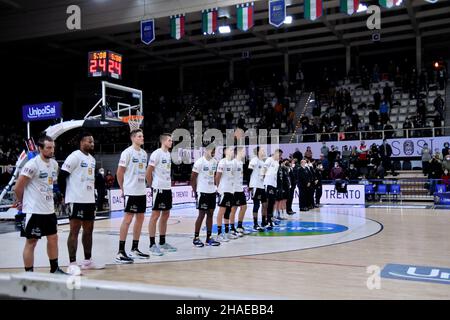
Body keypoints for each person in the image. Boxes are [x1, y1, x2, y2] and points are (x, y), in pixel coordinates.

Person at [15, 135, 66, 274]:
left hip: (49, 210)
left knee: (53, 239)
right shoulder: (32, 164)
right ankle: (29, 274)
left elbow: (52, 183)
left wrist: (57, 194)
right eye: (49, 148)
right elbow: (18, 187)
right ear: (40, 148)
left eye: (53, 147)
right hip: (34, 211)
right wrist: (21, 202)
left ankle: (54, 269)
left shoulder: (54, 164)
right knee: (32, 242)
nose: (52, 150)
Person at [59, 132, 105, 272]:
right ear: (81, 142)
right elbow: (62, 176)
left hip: (89, 200)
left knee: (89, 231)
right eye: (89, 141)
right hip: (76, 199)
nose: (92, 144)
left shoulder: (91, 159)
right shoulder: (74, 157)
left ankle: (87, 261)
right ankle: (72, 263)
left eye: (92, 142)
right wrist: (64, 195)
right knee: (74, 231)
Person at [115, 129, 149, 264]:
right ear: (133, 138)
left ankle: (134, 248)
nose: (142, 138)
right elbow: (119, 172)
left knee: (140, 219)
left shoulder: (144, 153)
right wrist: (123, 188)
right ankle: (120, 251)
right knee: (127, 219)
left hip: (141, 191)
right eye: (139, 136)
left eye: (142, 136)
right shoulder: (127, 152)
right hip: (131, 191)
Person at [146, 134, 177, 256]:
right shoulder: (156, 153)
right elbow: (148, 172)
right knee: (155, 215)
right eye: (169, 140)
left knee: (166, 214)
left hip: (167, 187)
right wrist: (151, 186)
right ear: (163, 141)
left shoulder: (168, 154)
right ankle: (152, 244)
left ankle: (162, 242)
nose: (171, 142)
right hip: (158, 188)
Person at [191, 144, 220, 247]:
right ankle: (196, 238)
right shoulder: (199, 162)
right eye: (212, 151)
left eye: (214, 151)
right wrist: (196, 192)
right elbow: (192, 179)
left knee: (210, 214)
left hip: (212, 192)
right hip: (202, 192)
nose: (213, 153)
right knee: (201, 215)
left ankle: (209, 238)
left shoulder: (215, 162)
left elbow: (214, 177)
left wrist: (216, 188)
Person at [215, 146, 236, 241]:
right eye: (230, 150)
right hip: (224, 190)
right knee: (222, 211)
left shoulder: (233, 162)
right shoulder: (223, 162)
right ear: (225, 152)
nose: (232, 151)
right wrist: (217, 188)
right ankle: (219, 234)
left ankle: (227, 232)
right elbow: (217, 176)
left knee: (228, 211)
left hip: (231, 190)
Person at [230, 147, 250, 237]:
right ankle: (232, 228)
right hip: (234, 190)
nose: (244, 154)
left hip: (240, 189)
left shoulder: (241, 163)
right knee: (234, 209)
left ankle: (239, 226)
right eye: (242, 152)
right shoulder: (233, 163)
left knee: (244, 207)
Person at [248, 147, 267, 232]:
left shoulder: (263, 162)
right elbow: (249, 172)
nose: (263, 152)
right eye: (262, 150)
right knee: (256, 205)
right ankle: (255, 224)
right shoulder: (254, 160)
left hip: (262, 186)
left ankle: (263, 221)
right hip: (255, 185)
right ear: (258, 152)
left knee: (265, 204)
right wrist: (250, 184)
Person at [263, 149, 282, 229]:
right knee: (268, 203)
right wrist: (263, 181)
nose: (280, 157)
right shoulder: (269, 160)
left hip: (274, 185)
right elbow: (263, 170)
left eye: (280, 155)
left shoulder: (277, 163)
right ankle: (267, 220)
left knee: (272, 202)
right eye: (279, 155)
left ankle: (270, 219)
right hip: (268, 183)